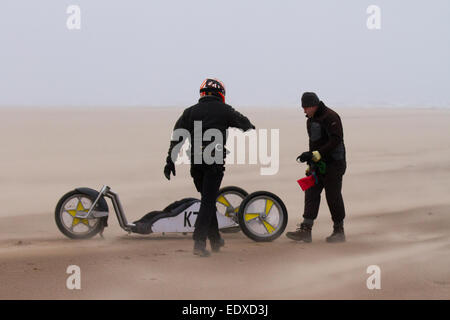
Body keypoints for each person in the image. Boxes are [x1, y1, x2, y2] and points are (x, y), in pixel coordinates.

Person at [164, 78, 255, 257]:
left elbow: (177, 137)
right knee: (207, 202)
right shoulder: (225, 110)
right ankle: (199, 242)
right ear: (221, 93)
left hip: (196, 163)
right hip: (213, 163)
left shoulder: (189, 112)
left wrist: (170, 161)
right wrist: (248, 126)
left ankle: (215, 239)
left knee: (208, 199)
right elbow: (245, 124)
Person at [286, 92, 347, 243]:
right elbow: (313, 143)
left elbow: (336, 140)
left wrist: (318, 154)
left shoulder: (331, 117)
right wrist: (310, 163)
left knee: (333, 196)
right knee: (311, 192)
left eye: (306, 107)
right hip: (318, 165)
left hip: (334, 164)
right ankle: (306, 230)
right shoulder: (310, 120)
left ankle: (339, 231)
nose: (304, 111)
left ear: (314, 105)